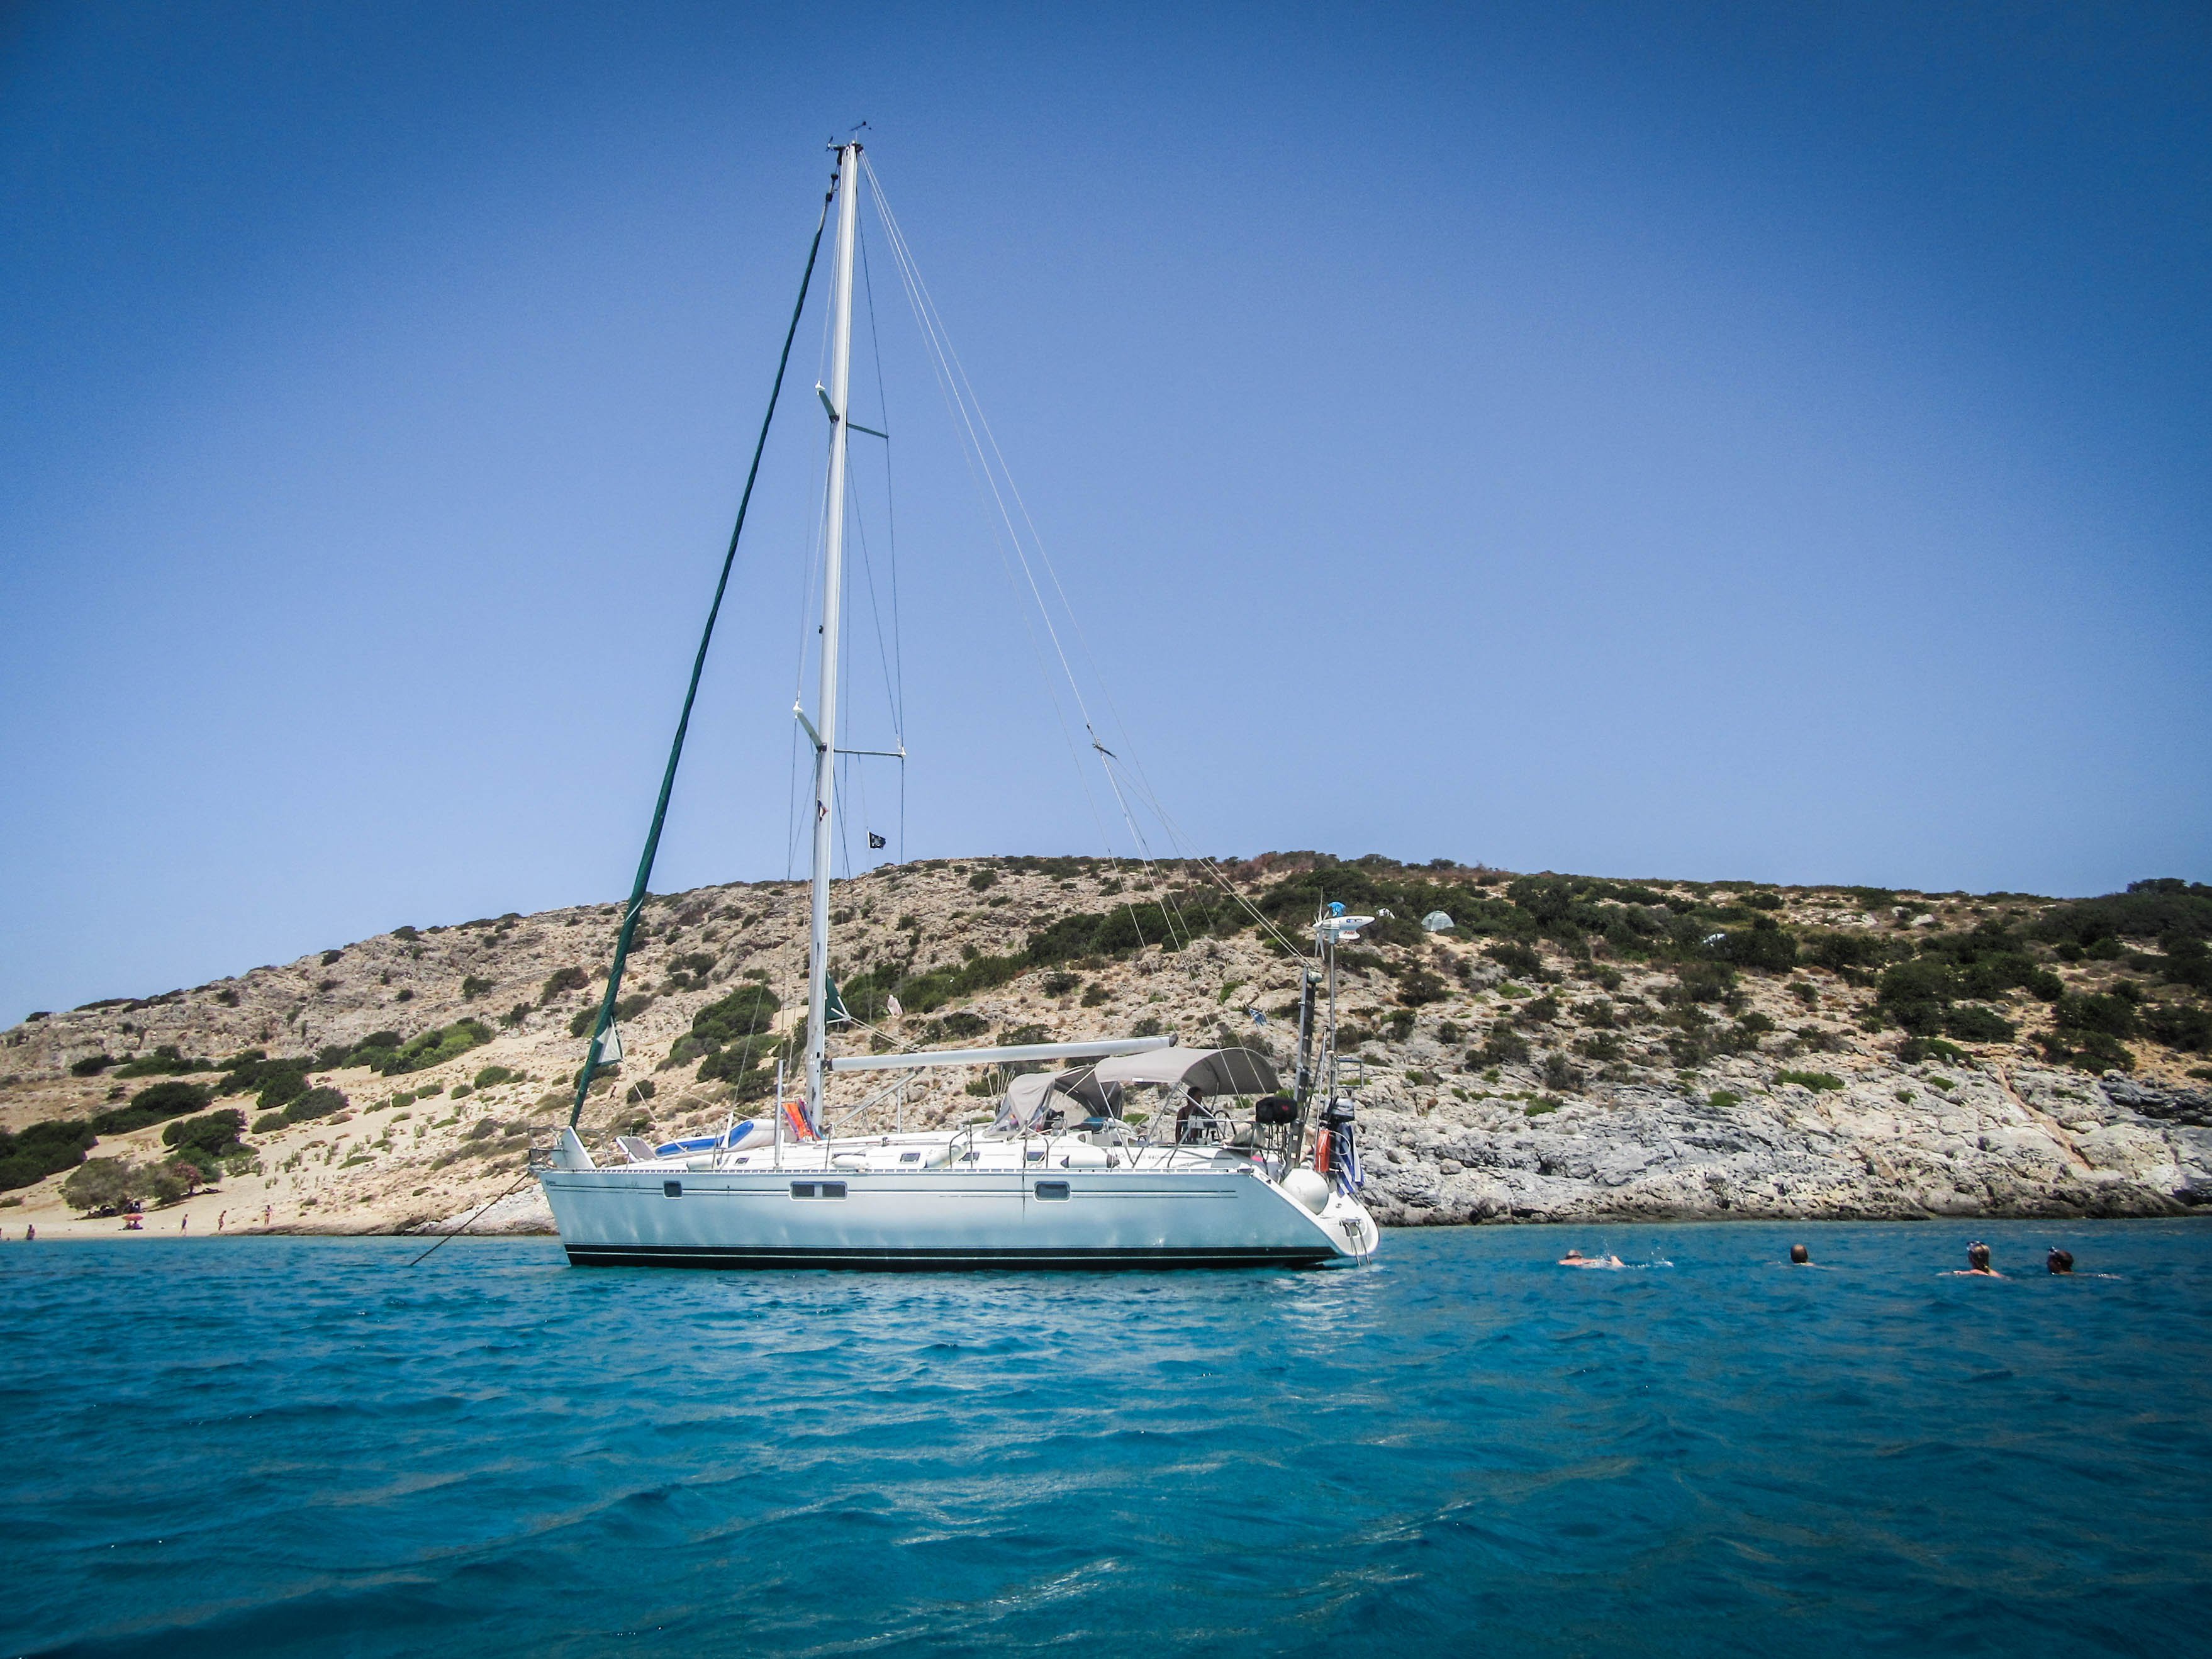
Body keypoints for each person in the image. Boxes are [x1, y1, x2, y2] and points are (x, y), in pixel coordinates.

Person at [1560, 1248, 1626, 1269]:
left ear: (1567, 1257)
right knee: (1608, 1263)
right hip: (1594, 1263)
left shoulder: (1563, 1262)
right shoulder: (1587, 1260)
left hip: (1584, 1266)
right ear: (1581, 1257)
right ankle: (1614, 1259)